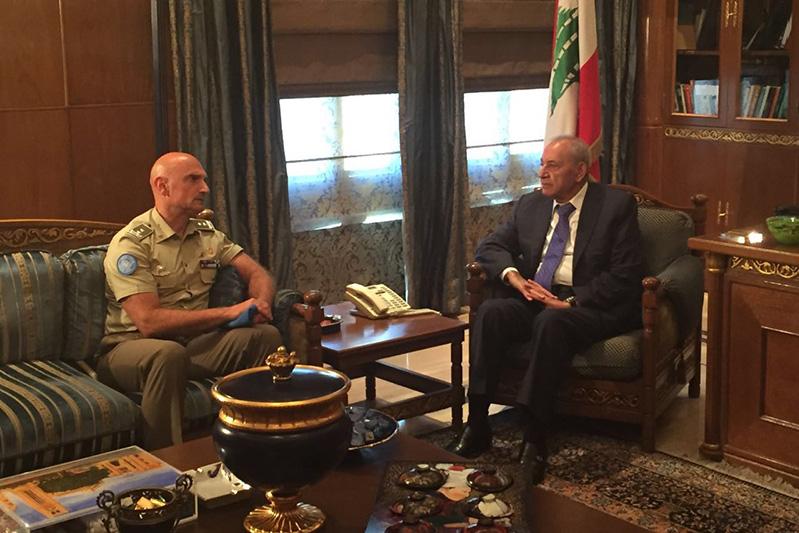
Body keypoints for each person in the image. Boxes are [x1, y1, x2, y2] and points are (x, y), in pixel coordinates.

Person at [452, 135, 644, 484]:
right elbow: (490, 246)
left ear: (580, 171)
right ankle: (477, 421)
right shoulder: (531, 204)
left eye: (553, 166)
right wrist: (514, 278)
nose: (542, 172)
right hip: (536, 294)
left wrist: (570, 301)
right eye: (542, 164)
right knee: (491, 313)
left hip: (588, 304)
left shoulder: (615, 207)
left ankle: (535, 434)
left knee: (552, 322)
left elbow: (626, 274)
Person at [98, 152, 282, 450]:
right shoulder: (131, 243)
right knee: (167, 354)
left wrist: (260, 303)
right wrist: (230, 312)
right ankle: (167, 461)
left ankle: (257, 444)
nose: (205, 188)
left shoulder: (208, 235)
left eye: (204, 179)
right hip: (129, 349)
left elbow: (257, 273)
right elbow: (149, 322)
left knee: (265, 336)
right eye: (193, 179)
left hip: (192, 345)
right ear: (163, 186)